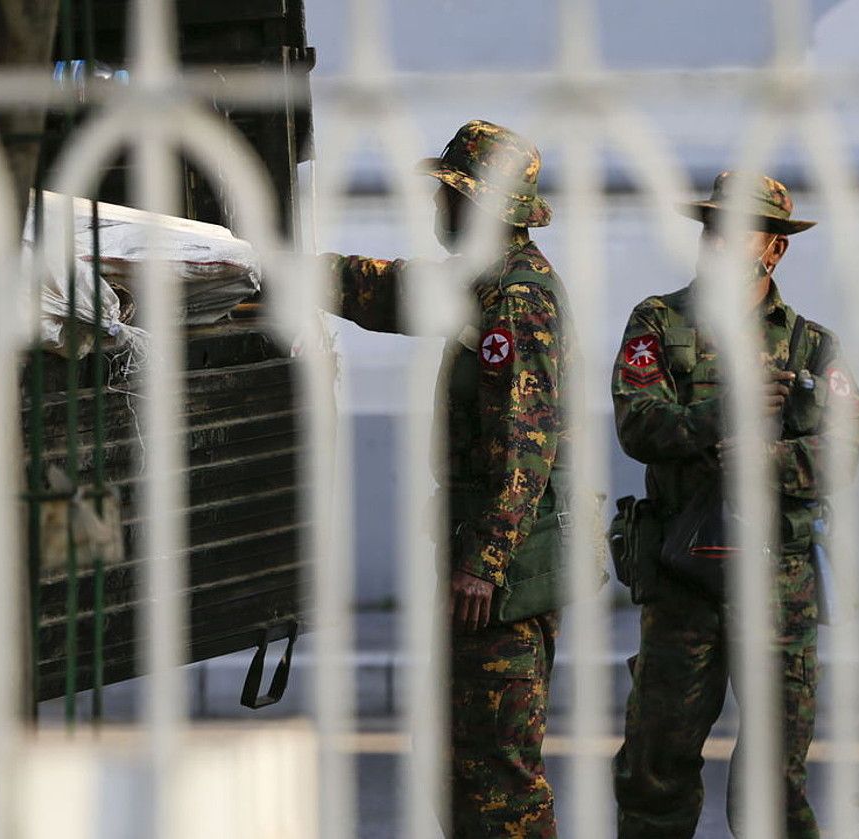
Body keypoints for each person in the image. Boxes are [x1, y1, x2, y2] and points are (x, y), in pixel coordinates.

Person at [321, 120, 567, 838]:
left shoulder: (518, 298)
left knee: (500, 781)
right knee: (463, 768)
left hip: (503, 580)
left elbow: (527, 444)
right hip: (484, 566)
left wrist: (484, 563)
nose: (438, 209)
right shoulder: (483, 284)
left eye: (450, 195)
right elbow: (394, 290)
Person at [609, 172, 859, 837]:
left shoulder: (812, 344)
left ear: (774, 249)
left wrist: (765, 461)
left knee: (774, 784)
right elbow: (637, 421)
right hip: (683, 577)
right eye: (711, 228)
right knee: (655, 767)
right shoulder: (659, 322)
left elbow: (842, 446)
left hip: (779, 587)